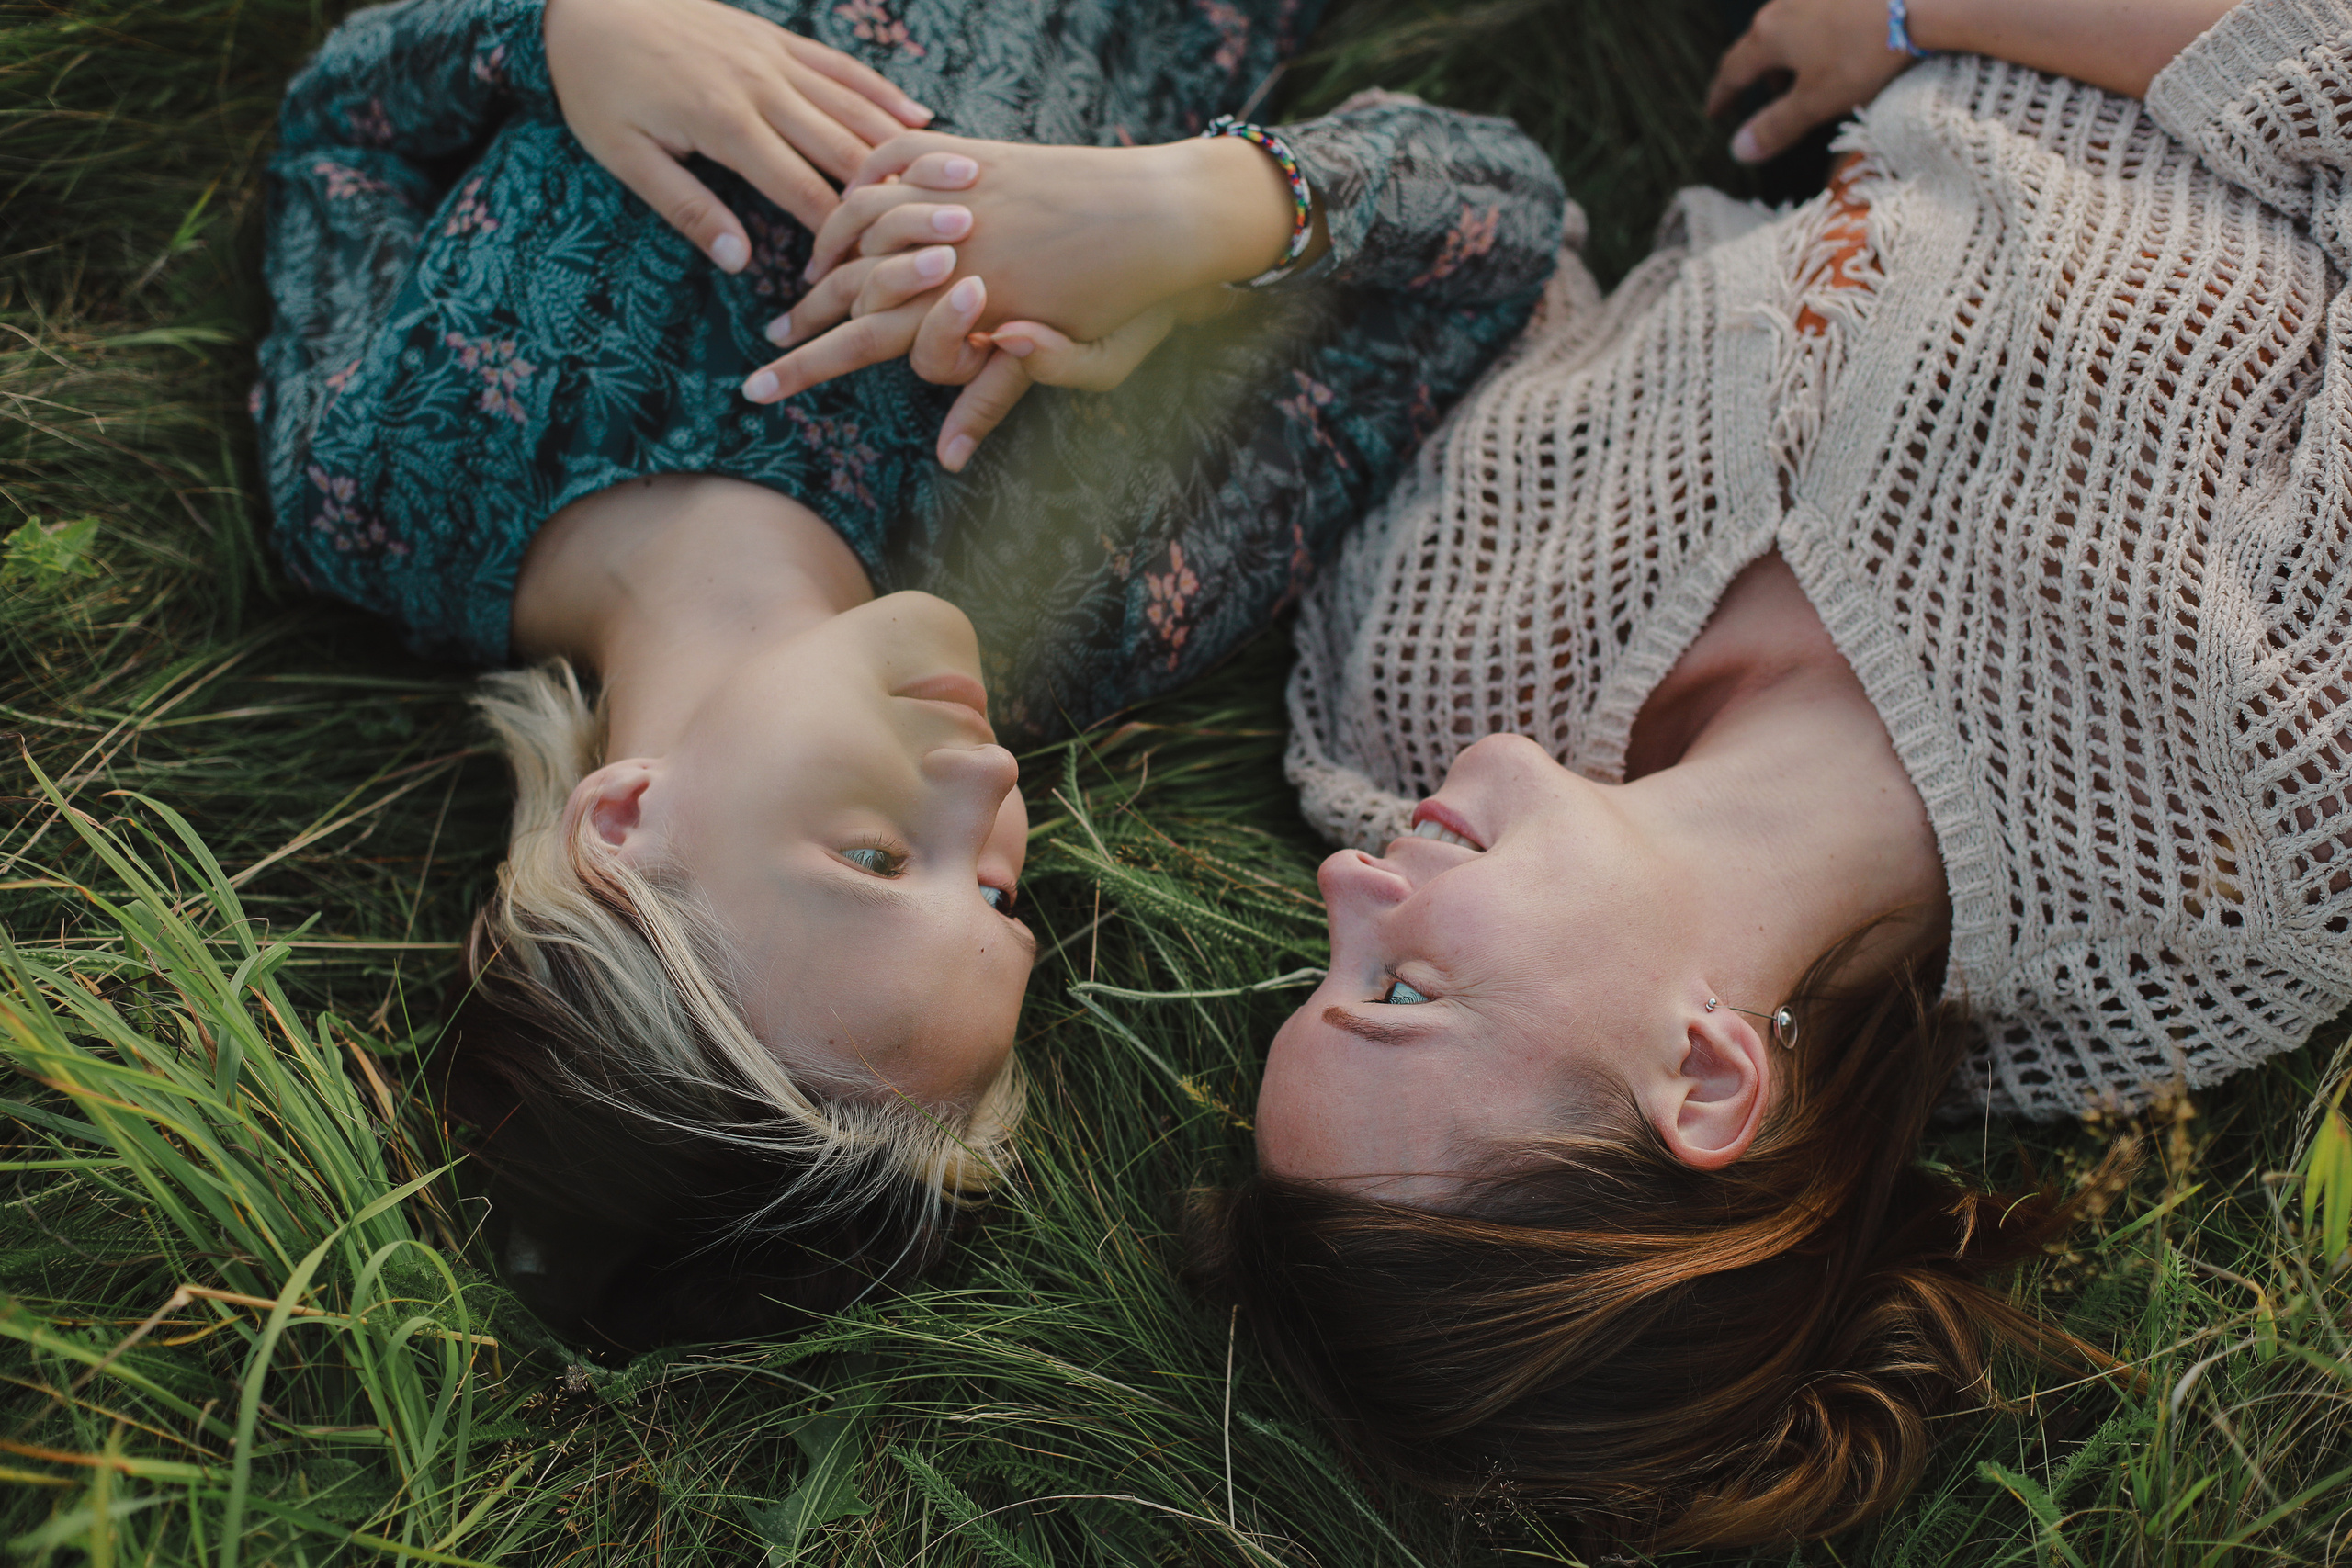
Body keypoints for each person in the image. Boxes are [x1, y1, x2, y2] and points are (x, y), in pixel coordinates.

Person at [1188, 0, 2352, 1548]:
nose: (1344, 879)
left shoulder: (1413, 686)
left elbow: (1466, 241)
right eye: (1396, 993)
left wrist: (1195, 229)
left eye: (1322, 968)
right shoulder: (2258, 837)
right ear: (1708, 1075)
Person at [253, 0, 1564, 1346]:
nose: (989, 779)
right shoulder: (1089, 593)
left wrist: (561, 34)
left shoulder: (377, 487)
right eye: (997, 891)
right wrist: (1194, 212)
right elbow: (1504, 225)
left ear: (624, 830)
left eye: (877, 861)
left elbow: (342, 134)